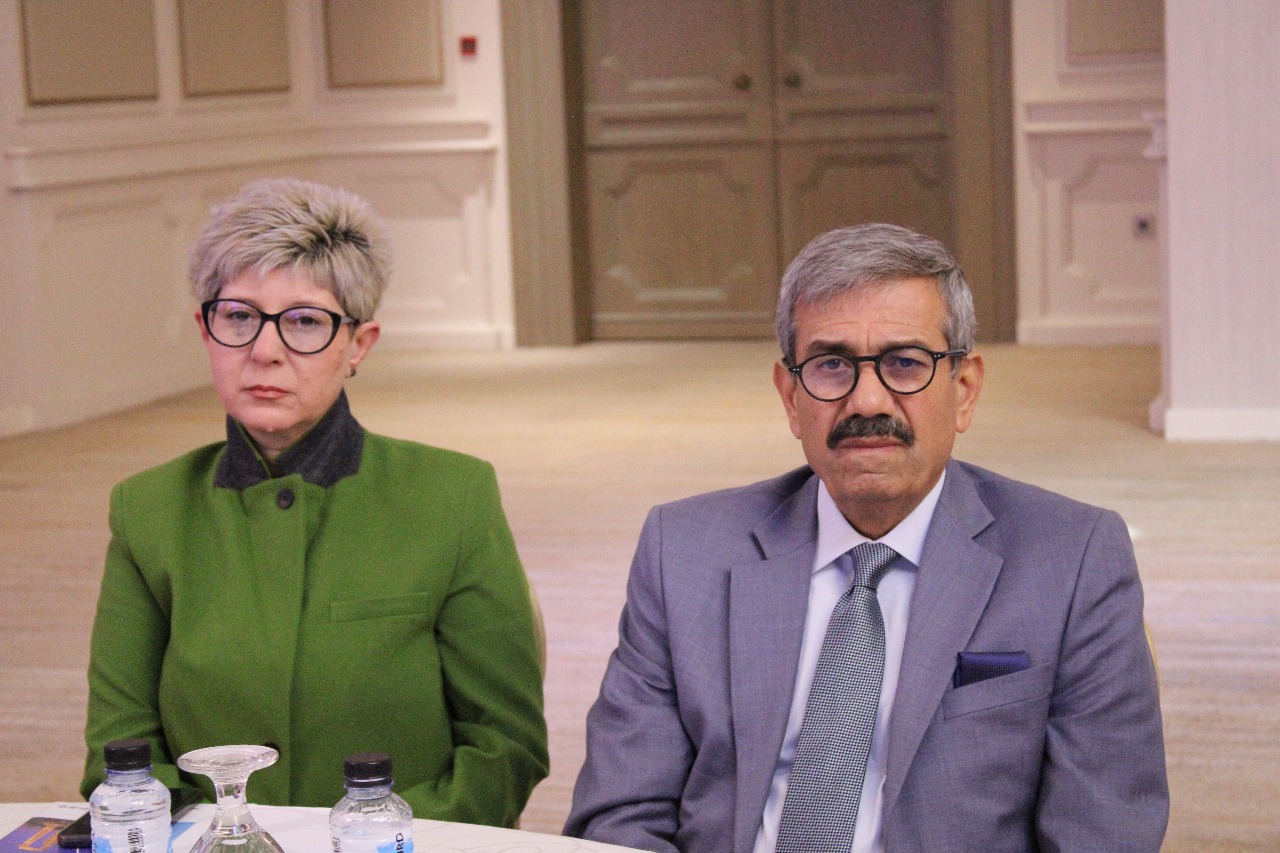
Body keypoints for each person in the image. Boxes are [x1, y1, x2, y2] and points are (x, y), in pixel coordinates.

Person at [564, 224, 1167, 852]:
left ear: (964, 390)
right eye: (831, 365)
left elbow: (1102, 832)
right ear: (790, 397)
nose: (867, 399)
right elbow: (620, 817)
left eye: (905, 363)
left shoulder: (1073, 560)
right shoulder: (684, 551)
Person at [81, 178, 548, 827]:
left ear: (359, 343)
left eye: (304, 321)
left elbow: (504, 751)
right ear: (205, 331)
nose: (264, 350)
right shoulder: (148, 510)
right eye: (238, 316)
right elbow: (121, 756)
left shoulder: (453, 496)